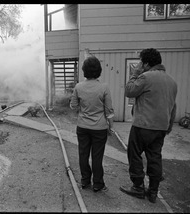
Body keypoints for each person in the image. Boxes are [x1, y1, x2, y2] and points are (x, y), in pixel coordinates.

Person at [120, 48, 177, 203]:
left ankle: (138, 187)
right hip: (161, 128)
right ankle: (153, 191)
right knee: (155, 157)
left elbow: (129, 91)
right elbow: (173, 106)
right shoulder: (172, 81)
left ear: (145, 63)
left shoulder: (145, 77)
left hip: (143, 125)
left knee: (135, 153)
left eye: (141, 62)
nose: (139, 65)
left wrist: (135, 73)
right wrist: (169, 126)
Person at [70, 56, 114, 192]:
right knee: (97, 157)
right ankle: (98, 184)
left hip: (82, 127)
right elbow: (109, 111)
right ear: (99, 71)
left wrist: (83, 109)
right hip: (100, 129)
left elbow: (73, 106)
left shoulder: (78, 87)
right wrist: (111, 127)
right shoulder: (104, 87)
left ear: (84, 71)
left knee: (83, 154)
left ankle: (84, 181)